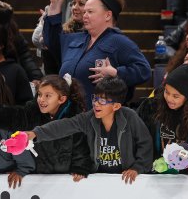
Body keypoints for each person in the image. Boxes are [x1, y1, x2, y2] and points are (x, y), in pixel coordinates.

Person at [24, 76, 153, 184]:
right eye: (95, 98)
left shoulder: (129, 117)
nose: (96, 103)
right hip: (97, 177)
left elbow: (145, 143)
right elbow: (64, 125)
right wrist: (35, 133)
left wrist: (137, 168)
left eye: (102, 101)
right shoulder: (88, 118)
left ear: (116, 106)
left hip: (123, 177)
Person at [43, 0, 151, 108]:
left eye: (90, 12)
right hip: (67, 116)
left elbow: (144, 70)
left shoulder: (119, 41)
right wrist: (54, 7)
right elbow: (52, 41)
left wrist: (116, 73)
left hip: (97, 118)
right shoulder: (75, 38)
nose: (85, 15)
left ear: (107, 15)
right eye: (85, 12)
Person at [0, 74, 93, 182]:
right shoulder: (32, 111)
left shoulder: (74, 117)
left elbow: (81, 147)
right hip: (38, 174)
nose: (41, 100)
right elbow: (13, 116)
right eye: (39, 94)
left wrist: (80, 167)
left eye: (48, 96)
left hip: (63, 176)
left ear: (62, 99)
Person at [137, 63, 188, 174]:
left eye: (176, 96)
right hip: (156, 166)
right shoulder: (152, 105)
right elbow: (138, 134)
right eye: (167, 92)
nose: (169, 99)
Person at [34, 0, 103, 74]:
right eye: (73, 3)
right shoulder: (65, 33)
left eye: (81, 4)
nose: (74, 7)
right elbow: (53, 69)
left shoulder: (105, 36)